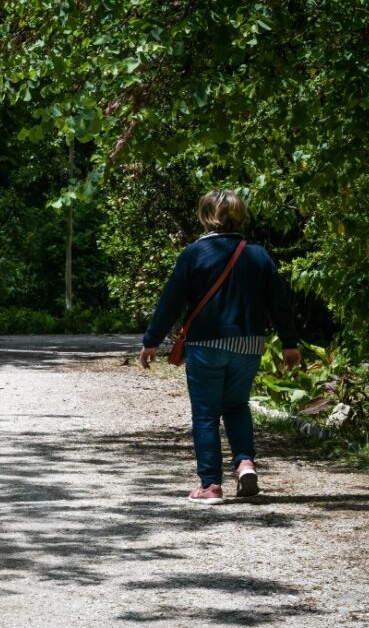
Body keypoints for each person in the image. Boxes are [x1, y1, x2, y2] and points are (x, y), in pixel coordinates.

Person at [138, 189, 300, 505]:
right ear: (240, 215)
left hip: (206, 343)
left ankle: (211, 485)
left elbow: (171, 300)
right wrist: (290, 344)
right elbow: (279, 303)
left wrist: (151, 341)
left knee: (206, 414)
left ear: (204, 215)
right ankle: (245, 463)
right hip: (249, 344)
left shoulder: (194, 254)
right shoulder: (257, 254)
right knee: (237, 405)